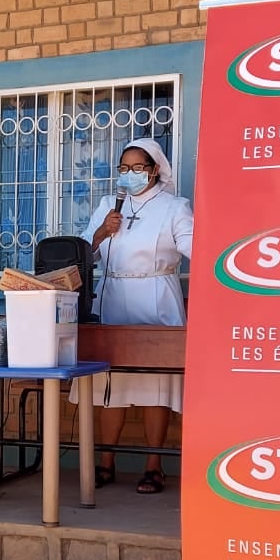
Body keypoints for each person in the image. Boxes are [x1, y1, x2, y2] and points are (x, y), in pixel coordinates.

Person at [75, 137, 193, 495]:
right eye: (123, 168)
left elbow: (194, 246)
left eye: (137, 168)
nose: (129, 175)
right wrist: (100, 233)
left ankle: (153, 466)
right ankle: (106, 462)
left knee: (154, 386)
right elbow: (82, 253)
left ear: (155, 170)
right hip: (113, 299)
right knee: (112, 385)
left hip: (156, 298)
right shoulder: (109, 205)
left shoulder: (175, 207)